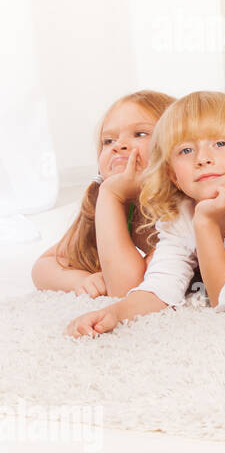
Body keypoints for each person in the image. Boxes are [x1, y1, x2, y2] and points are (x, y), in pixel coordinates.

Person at [65, 92, 225, 336]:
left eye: (220, 144)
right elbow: (162, 285)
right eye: (186, 150)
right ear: (173, 175)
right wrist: (116, 313)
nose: (203, 159)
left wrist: (205, 222)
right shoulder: (181, 212)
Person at [32, 90, 175, 297]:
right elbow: (44, 265)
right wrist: (81, 281)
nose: (119, 146)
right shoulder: (113, 203)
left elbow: (127, 288)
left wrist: (110, 194)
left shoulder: (181, 211)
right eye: (108, 141)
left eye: (140, 134)